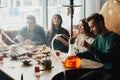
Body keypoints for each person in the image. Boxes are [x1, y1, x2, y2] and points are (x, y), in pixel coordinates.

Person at [77, 13, 120, 80]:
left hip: (112, 72)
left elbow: (107, 58)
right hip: (100, 70)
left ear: (100, 24)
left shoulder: (113, 37)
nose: (91, 30)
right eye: (90, 27)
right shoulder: (98, 37)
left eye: (92, 26)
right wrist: (76, 55)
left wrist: (89, 47)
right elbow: (90, 53)